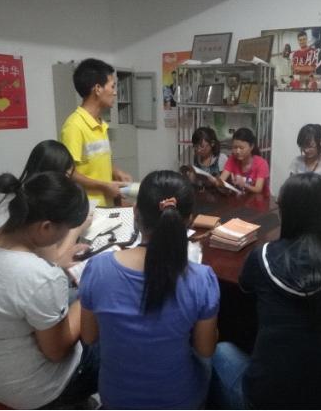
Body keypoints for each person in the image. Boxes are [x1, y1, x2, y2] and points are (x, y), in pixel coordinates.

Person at [210, 172, 321, 409]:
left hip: (266, 398)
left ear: (286, 212)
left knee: (221, 350)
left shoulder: (262, 257)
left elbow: (245, 286)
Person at [79, 170, 220, 409]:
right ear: (189, 220)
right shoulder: (202, 279)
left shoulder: (98, 268)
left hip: (116, 399)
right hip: (178, 401)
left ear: (135, 212)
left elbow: (89, 337)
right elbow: (205, 350)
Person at [0, 171, 98, 409]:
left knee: (71, 298)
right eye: (64, 230)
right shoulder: (39, 277)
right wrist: (89, 292)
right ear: (46, 227)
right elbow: (56, 351)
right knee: (108, 329)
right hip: (38, 392)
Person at [0, 139, 90, 267]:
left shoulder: (20, 192)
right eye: (66, 174)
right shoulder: (40, 206)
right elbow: (54, 262)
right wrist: (75, 228)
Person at [60, 58, 132, 207]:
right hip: (87, 207)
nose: (115, 93)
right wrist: (104, 186)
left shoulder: (100, 124)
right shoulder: (74, 126)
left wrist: (115, 171)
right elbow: (68, 173)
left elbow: (95, 164)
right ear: (98, 89)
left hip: (106, 205)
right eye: (112, 87)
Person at [289, 123, 321, 190]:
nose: (306, 150)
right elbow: (290, 187)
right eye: (303, 146)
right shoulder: (297, 162)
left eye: (310, 146)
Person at [219, 128, 270, 195]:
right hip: (241, 198)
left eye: (241, 148)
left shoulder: (261, 163)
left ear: (251, 147)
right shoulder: (232, 159)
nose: (237, 151)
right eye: (235, 147)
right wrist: (215, 181)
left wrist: (244, 184)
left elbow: (258, 189)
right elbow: (221, 180)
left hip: (259, 199)